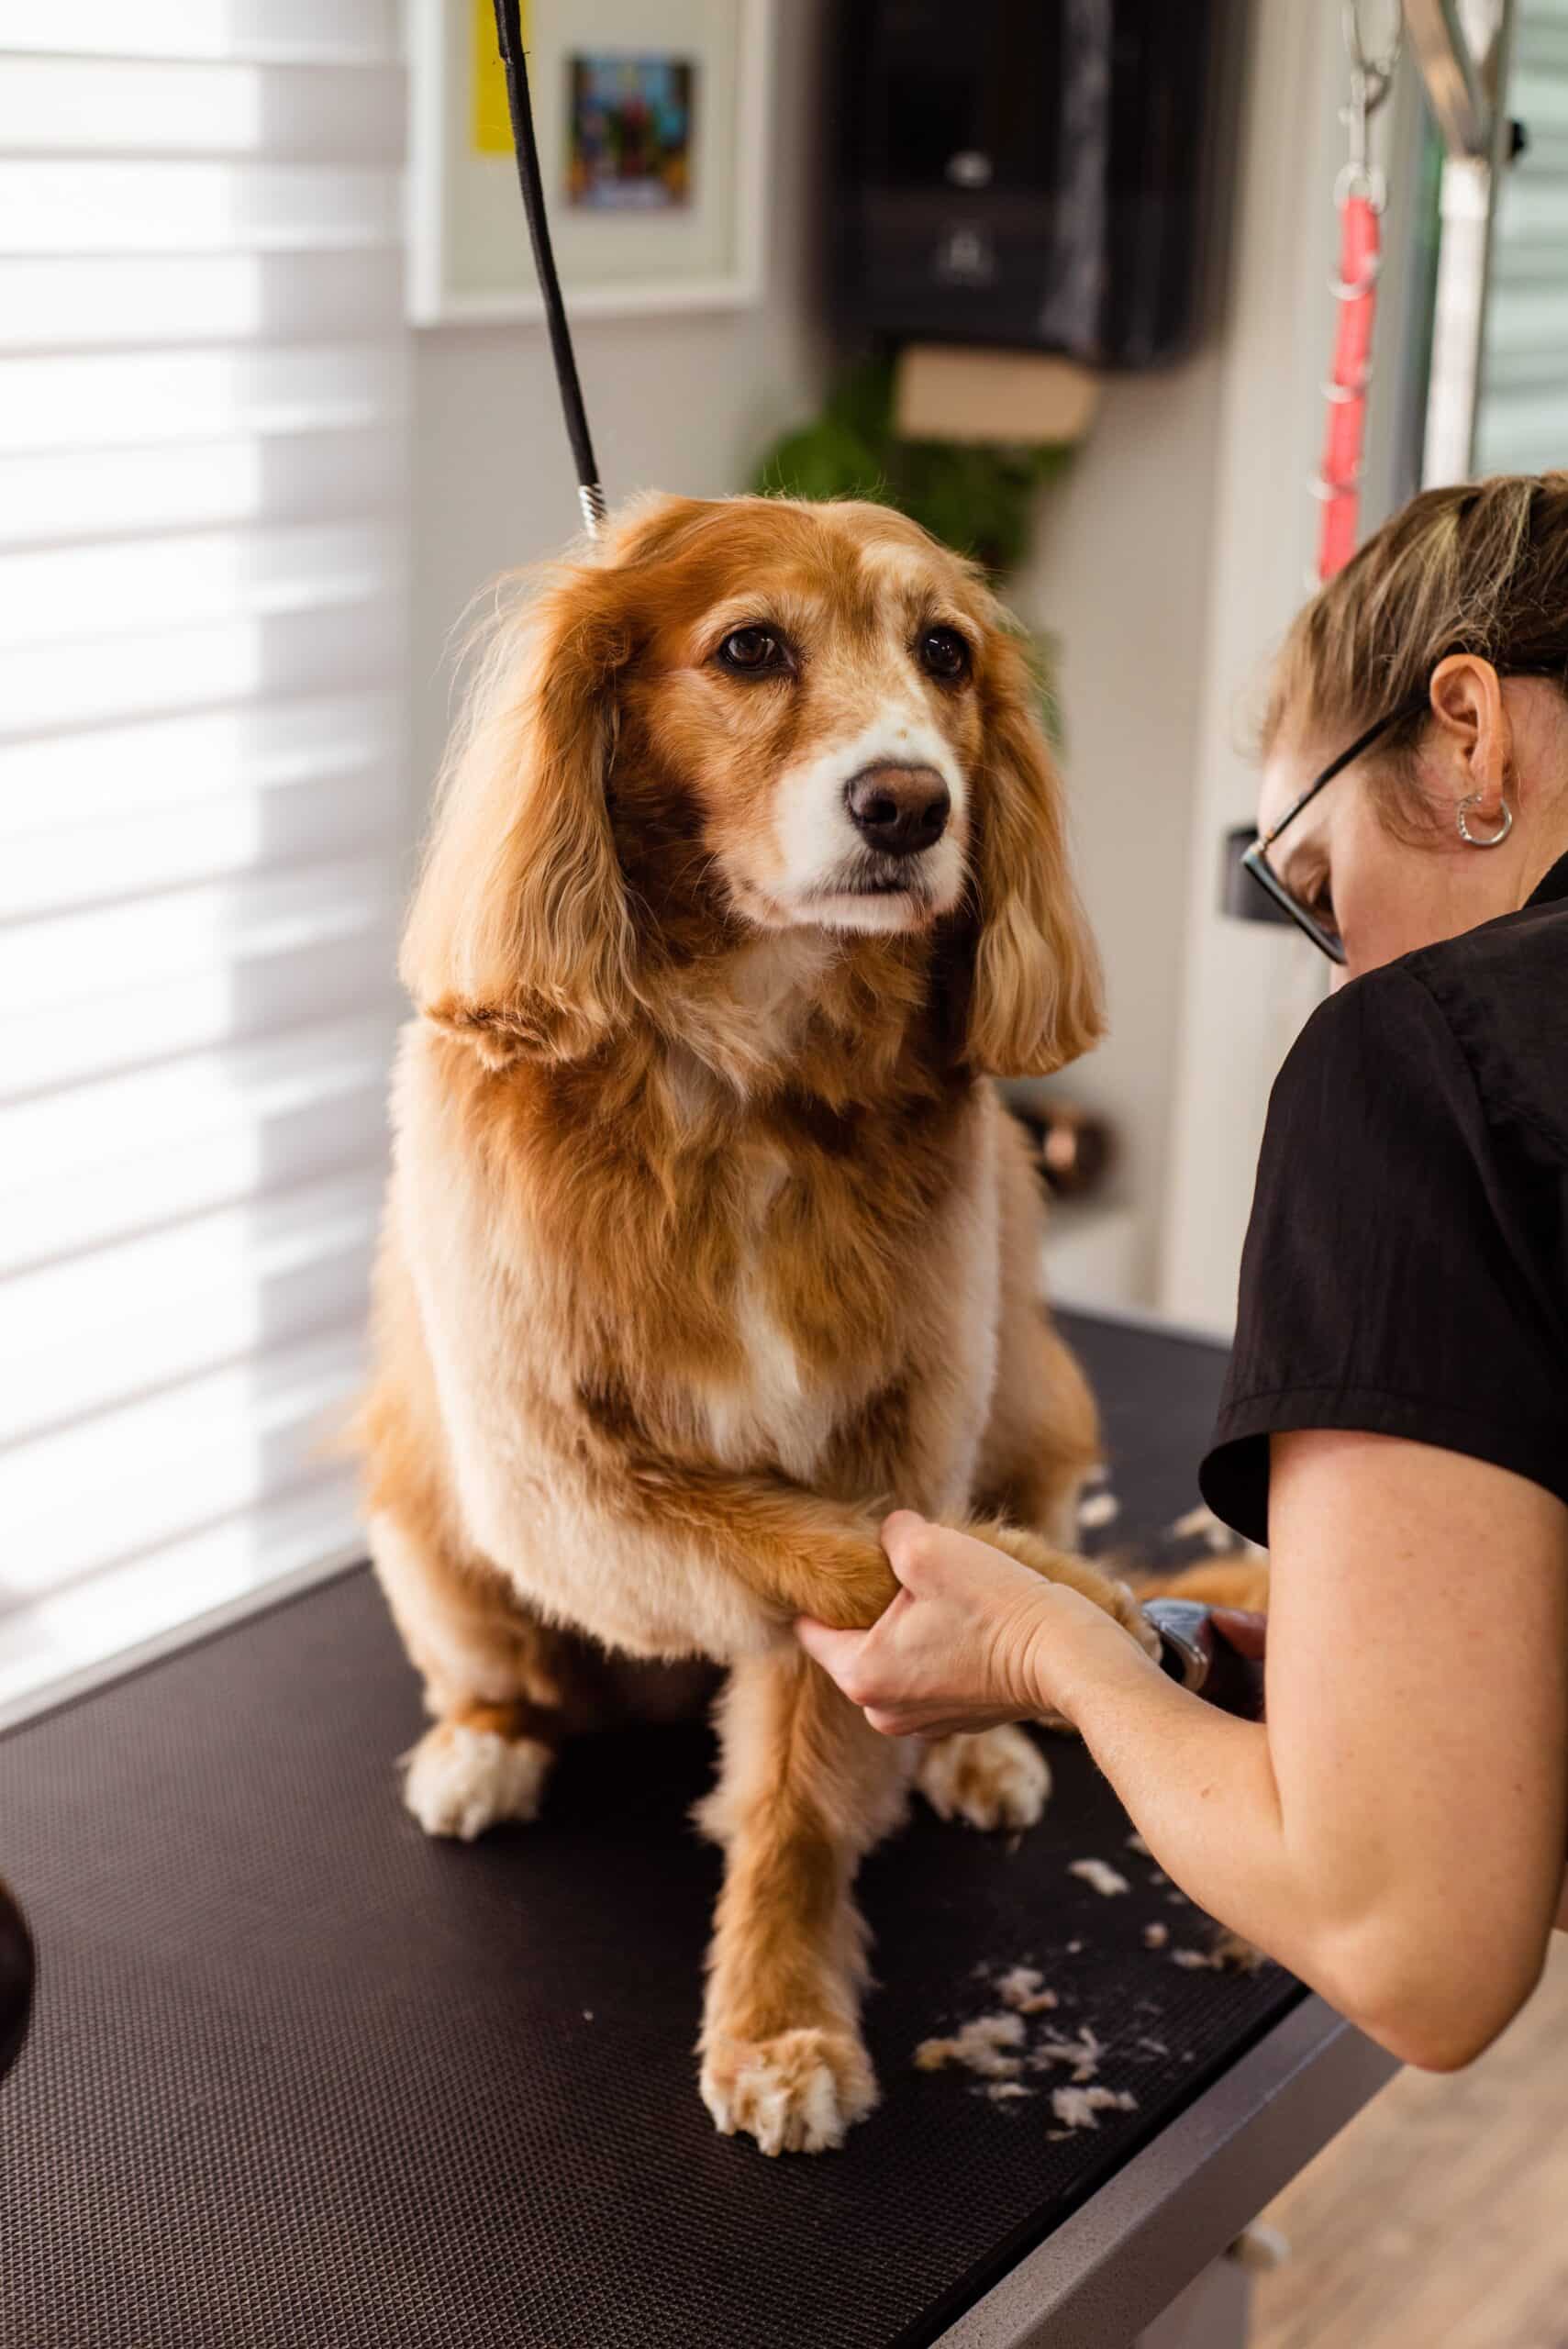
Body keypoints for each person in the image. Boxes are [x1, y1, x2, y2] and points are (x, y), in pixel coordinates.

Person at [798, 473, 1568, 2074]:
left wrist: (1056, 1660)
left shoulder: (1420, 1052)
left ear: (1470, 732)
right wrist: (1438, 1734)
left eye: (1314, 884)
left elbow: (1412, 1955)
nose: (1342, 970)